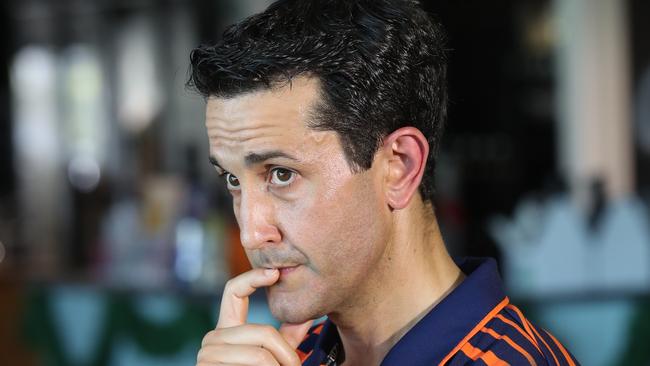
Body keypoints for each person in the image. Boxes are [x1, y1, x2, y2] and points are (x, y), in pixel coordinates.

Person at [188, 0, 579, 365]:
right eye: (233, 180)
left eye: (281, 174)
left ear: (400, 167)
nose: (251, 234)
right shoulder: (292, 354)